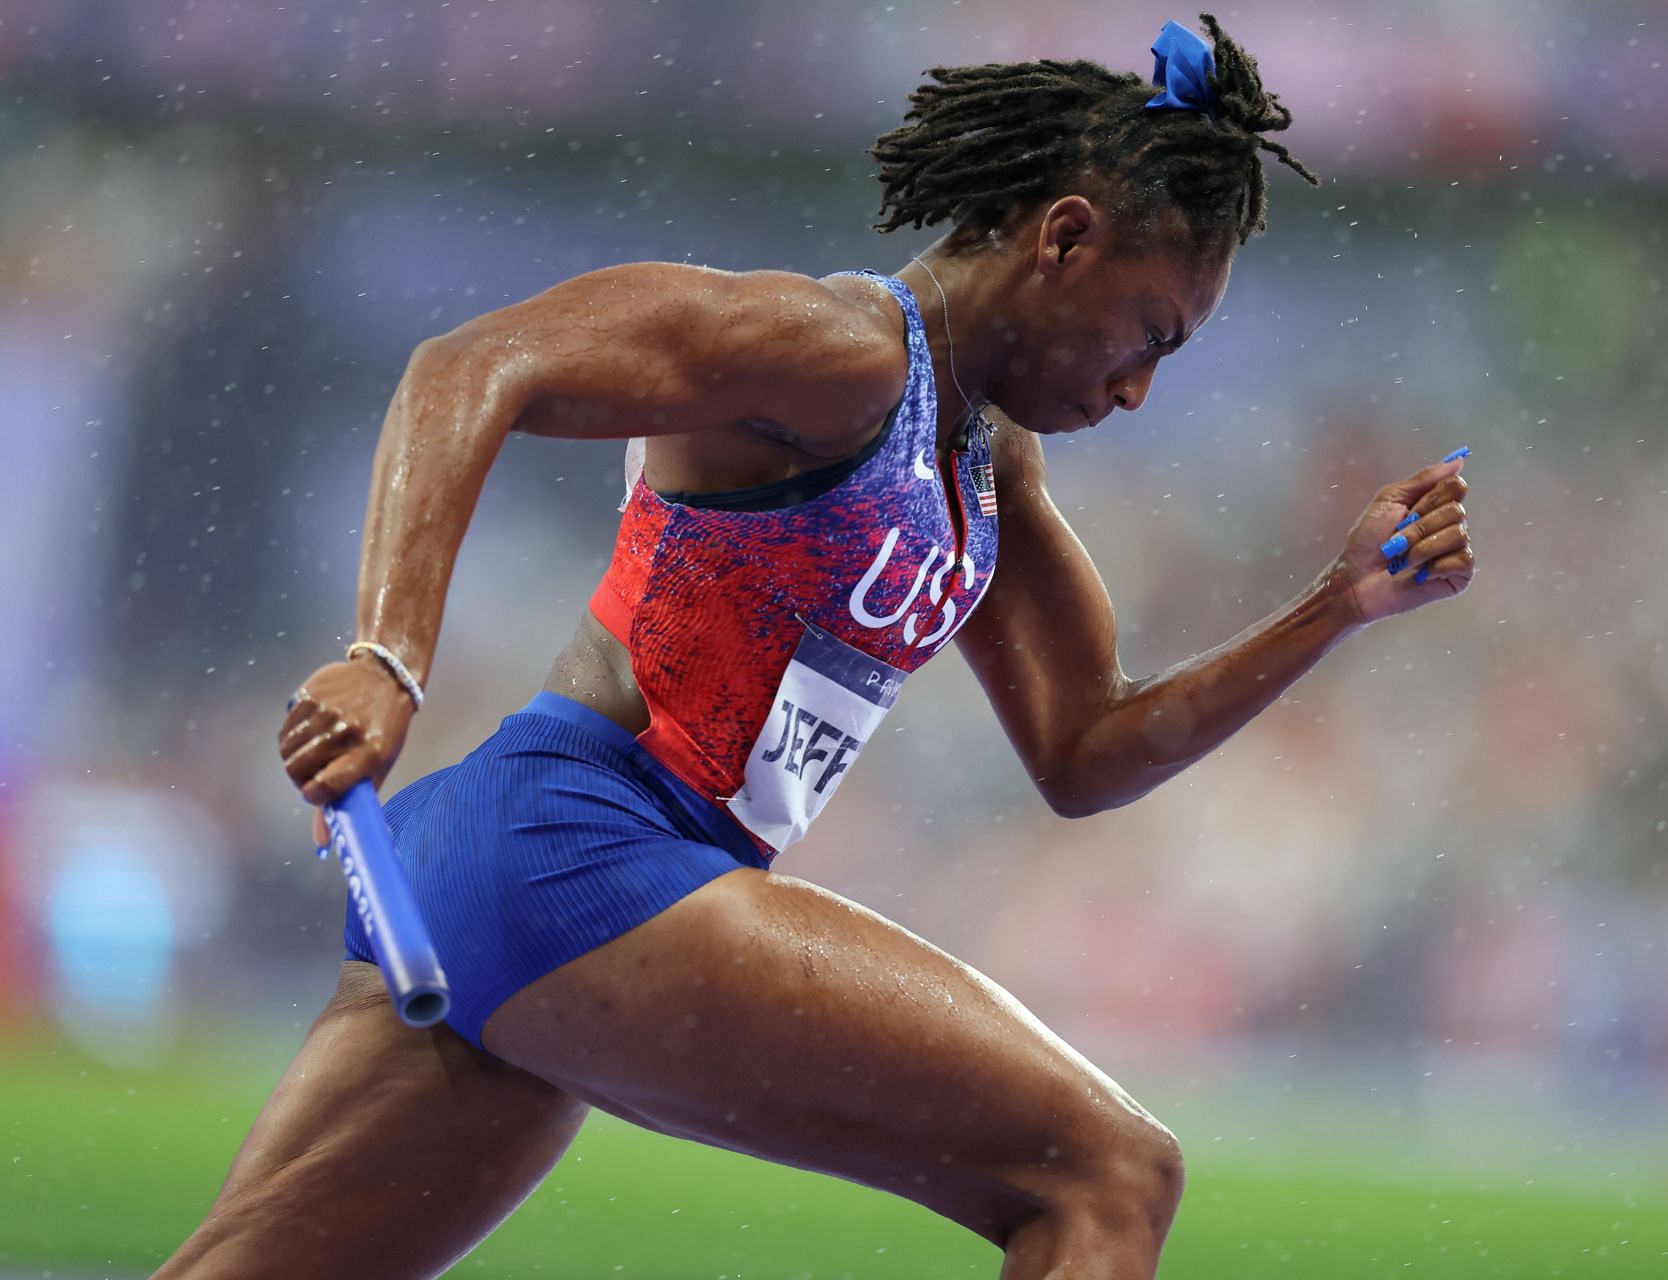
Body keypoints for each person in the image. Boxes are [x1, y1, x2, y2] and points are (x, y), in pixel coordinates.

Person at [158, 14, 1474, 1279]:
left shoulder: (983, 462)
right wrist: (387, 657)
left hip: (521, 873)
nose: (1136, 390)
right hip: (586, 851)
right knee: (1112, 1173)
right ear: (1066, 238)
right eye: (1150, 336)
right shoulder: (837, 356)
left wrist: (1336, 604)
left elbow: (1086, 750)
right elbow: (470, 367)